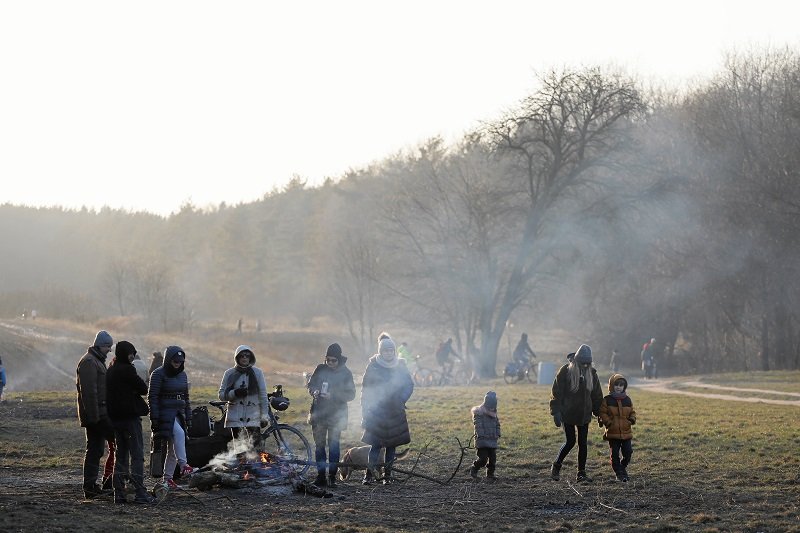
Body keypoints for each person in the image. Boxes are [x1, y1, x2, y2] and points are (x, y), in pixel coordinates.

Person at [360, 336, 414, 485]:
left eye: (391, 350)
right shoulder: (373, 365)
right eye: (386, 351)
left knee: (391, 446)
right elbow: (366, 389)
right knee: (375, 445)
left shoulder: (401, 365)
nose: (389, 353)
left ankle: (387, 475)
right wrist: (366, 408)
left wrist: (401, 399)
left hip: (395, 411)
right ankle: (369, 474)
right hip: (377, 412)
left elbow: (409, 384)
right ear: (381, 351)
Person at [106, 341, 155, 504]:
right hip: (130, 419)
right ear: (125, 354)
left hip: (115, 419)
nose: (132, 356)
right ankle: (140, 492)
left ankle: (118, 493)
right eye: (130, 353)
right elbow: (143, 388)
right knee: (137, 455)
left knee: (120, 456)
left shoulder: (111, 369)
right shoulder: (127, 369)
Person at [549, 344, 603, 483]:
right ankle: (556, 465)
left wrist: (599, 413)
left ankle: (581, 473)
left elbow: (597, 396)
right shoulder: (566, 371)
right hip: (568, 413)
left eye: (587, 364)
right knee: (571, 441)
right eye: (582, 363)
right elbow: (557, 392)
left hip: (584, 414)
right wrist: (556, 412)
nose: (585, 366)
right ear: (577, 360)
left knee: (583, 443)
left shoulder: (592, 373)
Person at [306, 343, 356, 487]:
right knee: (319, 446)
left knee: (333, 446)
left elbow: (351, 394)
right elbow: (311, 384)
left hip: (336, 415)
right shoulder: (320, 368)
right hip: (319, 414)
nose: (330, 363)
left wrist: (333, 395)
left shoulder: (346, 373)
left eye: (333, 360)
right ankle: (321, 476)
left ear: (339, 359)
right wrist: (314, 391)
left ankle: (332, 476)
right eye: (328, 360)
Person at [76, 330, 116, 499]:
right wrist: (94, 418)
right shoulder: (89, 363)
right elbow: (89, 393)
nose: (109, 351)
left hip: (98, 413)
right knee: (94, 450)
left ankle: (92, 486)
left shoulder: (95, 361)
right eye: (108, 347)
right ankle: (90, 487)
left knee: (97, 450)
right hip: (95, 415)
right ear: (101, 346)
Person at [148, 345, 193, 489]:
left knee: (173, 448)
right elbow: (152, 397)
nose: (177, 364)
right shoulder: (158, 374)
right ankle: (184, 465)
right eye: (175, 361)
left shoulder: (182, 375)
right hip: (164, 413)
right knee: (179, 434)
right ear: (168, 360)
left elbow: (186, 397)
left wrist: (189, 416)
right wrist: (154, 418)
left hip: (178, 413)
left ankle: (167, 478)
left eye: (180, 361)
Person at [218, 345, 269, 447]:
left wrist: (264, 416)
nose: (245, 358)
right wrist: (235, 393)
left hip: (253, 416)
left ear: (251, 358)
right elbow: (221, 395)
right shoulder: (229, 373)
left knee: (255, 449)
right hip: (235, 417)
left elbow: (263, 396)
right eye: (242, 356)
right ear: (237, 358)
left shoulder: (258, 373)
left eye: (247, 356)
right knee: (239, 450)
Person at [598, 373, 636, 482]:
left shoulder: (627, 400)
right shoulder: (607, 400)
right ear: (611, 386)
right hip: (613, 433)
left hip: (626, 432)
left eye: (621, 385)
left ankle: (622, 467)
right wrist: (608, 422)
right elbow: (602, 413)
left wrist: (631, 420)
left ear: (624, 387)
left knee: (628, 452)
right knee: (614, 454)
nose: (618, 387)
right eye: (616, 385)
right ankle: (619, 474)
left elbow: (632, 412)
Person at [469, 391, 501, 481]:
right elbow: (477, 425)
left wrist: (498, 433)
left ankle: (490, 474)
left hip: (492, 439)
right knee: (483, 459)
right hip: (482, 440)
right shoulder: (479, 412)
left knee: (493, 459)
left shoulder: (494, 413)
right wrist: (481, 435)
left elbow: (497, 424)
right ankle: (474, 468)